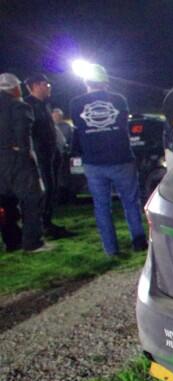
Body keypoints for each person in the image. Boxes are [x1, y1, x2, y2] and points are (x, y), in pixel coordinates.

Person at [69, 64, 146, 256]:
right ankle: (138, 242)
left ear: (86, 81)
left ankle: (111, 250)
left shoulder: (76, 103)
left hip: (94, 162)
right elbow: (124, 127)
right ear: (105, 82)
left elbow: (77, 131)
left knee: (102, 207)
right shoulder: (119, 100)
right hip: (121, 159)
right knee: (130, 203)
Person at [0, 73, 49, 252]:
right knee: (32, 199)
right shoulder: (19, 106)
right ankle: (33, 242)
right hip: (17, 161)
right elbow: (23, 137)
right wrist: (24, 153)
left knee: (6, 203)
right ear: (14, 88)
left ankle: (11, 241)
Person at [24, 74, 70, 238]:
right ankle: (41, 226)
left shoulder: (45, 105)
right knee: (45, 190)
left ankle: (47, 223)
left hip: (51, 155)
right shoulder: (28, 105)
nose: (49, 87)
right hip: (40, 157)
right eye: (46, 84)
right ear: (36, 85)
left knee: (52, 189)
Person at [52, 108, 73, 204]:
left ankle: (64, 196)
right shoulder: (49, 126)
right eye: (55, 116)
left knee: (64, 176)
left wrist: (69, 150)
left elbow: (70, 140)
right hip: (52, 156)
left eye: (59, 116)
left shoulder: (66, 126)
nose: (57, 118)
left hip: (64, 155)